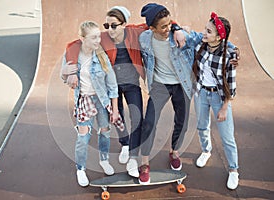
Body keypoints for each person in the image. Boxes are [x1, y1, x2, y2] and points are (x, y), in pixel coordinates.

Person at [61, 6, 186, 178]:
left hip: (132, 83)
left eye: (114, 25)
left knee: (137, 118)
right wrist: (71, 68)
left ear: (124, 24)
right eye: (107, 25)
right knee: (116, 116)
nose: (110, 30)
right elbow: (74, 45)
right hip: (113, 87)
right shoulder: (104, 37)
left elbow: (162, 22)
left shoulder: (135, 32)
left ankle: (133, 157)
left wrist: (177, 29)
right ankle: (125, 144)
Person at [138, 3, 204, 184]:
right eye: (164, 26)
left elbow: (205, 37)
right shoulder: (144, 38)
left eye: (169, 24)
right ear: (151, 28)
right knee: (149, 121)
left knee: (181, 122)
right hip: (159, 85)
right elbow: (124, 29)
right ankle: (144, 162)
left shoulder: (179, 35)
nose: (168, 28)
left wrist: (232, 50)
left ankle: (174, 152)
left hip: (182, 84)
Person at [61, 21, 120, 187]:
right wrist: (69, 76)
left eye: (99, 37)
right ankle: (81, 169)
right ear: (82, 38)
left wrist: (114, 110)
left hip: (101, 100)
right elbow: (62, 75)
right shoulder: (71, 56)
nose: (98, 41)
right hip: (84, 100)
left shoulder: (102, 57)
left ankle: (104, 160)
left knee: (105, 131)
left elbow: (112, 86)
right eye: (94, 38)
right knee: (83, 136)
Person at [192, 12, 239, 190]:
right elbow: (190, 36)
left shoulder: (229, 56)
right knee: (202, 126)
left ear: (219, 37)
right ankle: (206, 150)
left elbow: (231, 85)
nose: (204, 33)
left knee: (227, 137)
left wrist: (225, 107)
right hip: (202, 93)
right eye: (205, 29)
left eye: (209, 31)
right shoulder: (201, 47)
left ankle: (233, 170)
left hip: (219, 98)